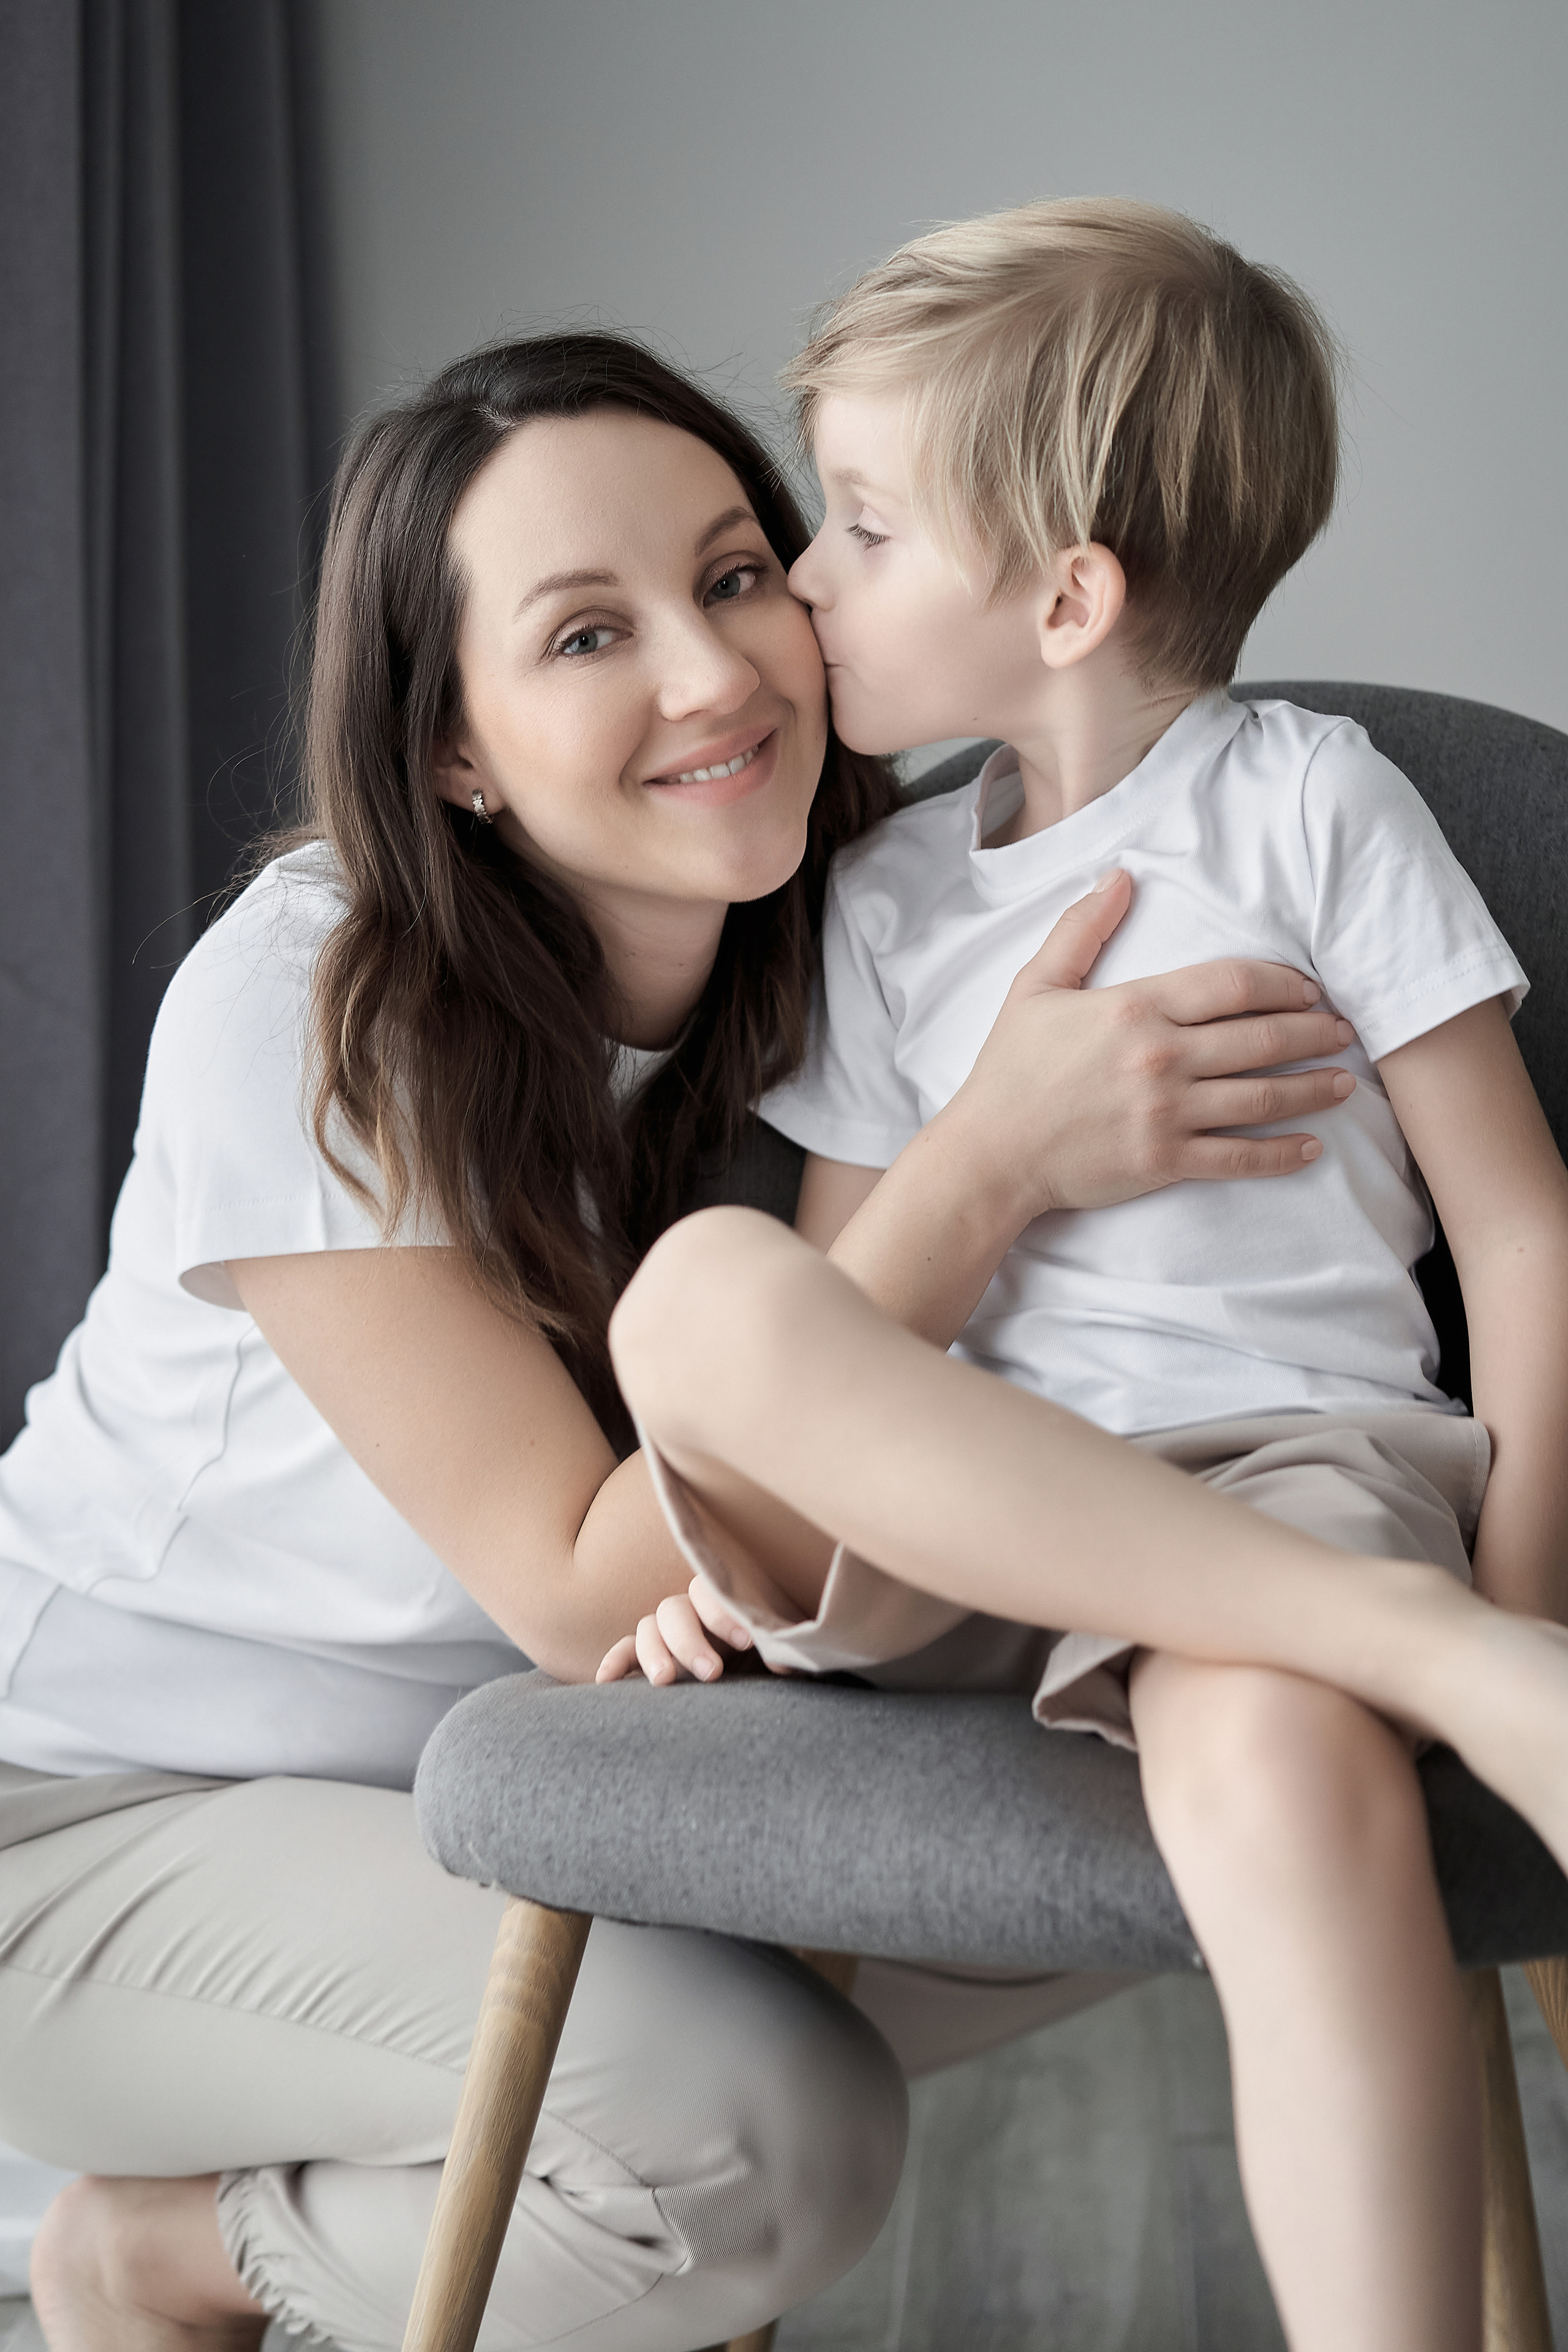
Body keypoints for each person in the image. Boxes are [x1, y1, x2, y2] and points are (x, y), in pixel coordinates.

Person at [0, 329, 1360, 2352]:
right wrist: (981, 1172)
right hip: (94, 1822)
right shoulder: (311, 1000)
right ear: (451, 745)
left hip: (536, 1794)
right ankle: (149, 2252)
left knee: (1172, 1834)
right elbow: (572, 1589)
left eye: (738, 577)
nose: (715, 674)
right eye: (582, 636)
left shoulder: (853, 945)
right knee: (760, 2136)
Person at [597, 204, 1568, 2352]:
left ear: (1066, 595)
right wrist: (726, 1501)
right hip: (972, 1508)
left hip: (1277, 1473)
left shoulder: (1310, 802)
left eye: (854, 526)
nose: (805, 583)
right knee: (699, 1292)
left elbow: (1522, 1226)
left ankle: (1425, 1665)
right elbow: (847, 1313)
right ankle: (1425, 1659)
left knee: (1278, 1768)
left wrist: (1526, 1582)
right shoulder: (882, 892)